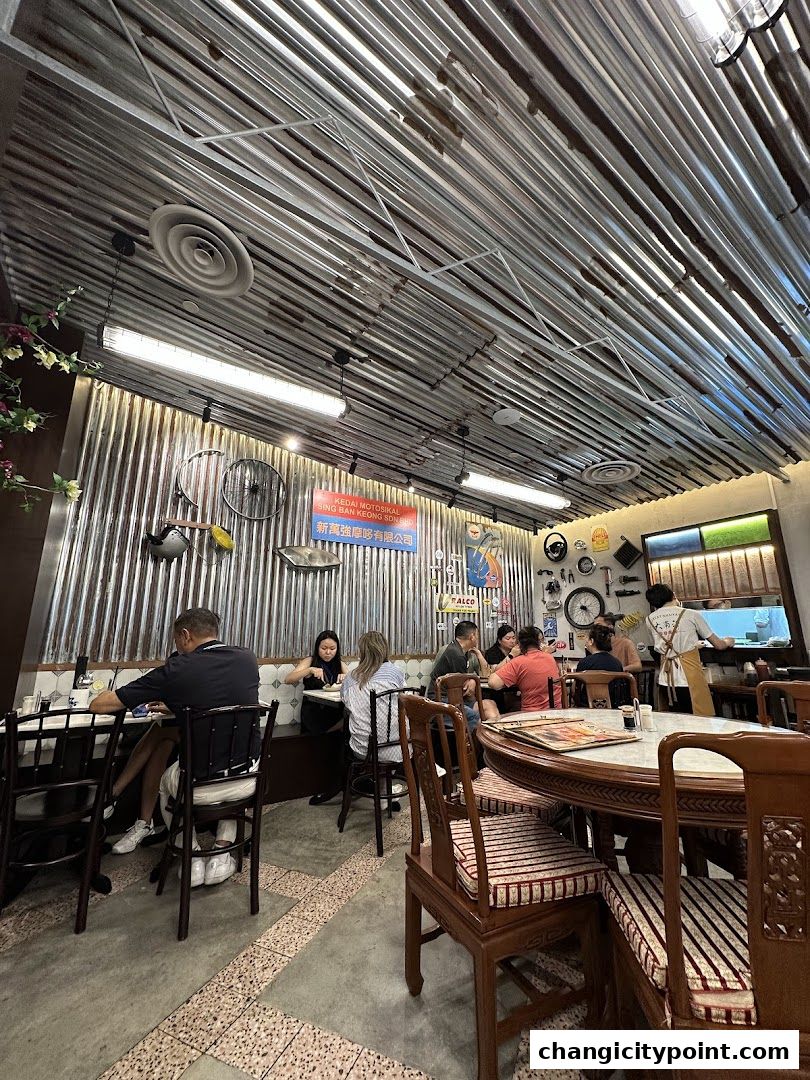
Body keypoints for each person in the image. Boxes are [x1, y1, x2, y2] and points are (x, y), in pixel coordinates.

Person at [90, 607, 260, 886]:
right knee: (228, 756)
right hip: (246, 779)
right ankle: (221, 851)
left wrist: (95, 695)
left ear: (185, 635)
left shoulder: (176, 669)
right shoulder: (247, 658)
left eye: (176, 641)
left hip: (197, 785)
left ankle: (190, 855)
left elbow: (103, 705)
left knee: (167, 781)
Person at [645, 583, 734, 716]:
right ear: (673, 595)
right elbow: (718, 645)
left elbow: (668, 645)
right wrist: (728, 641)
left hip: (666, 678)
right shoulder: (691, 614)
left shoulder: (650, 619)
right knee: (699, 719)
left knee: (675, 720)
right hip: (689, 677)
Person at [341, 631, 406, 763]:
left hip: (362, 750)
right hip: (397, 747)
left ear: (361, 652)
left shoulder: (350, 678)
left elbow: (346, 704)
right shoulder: (395, 673)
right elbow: (407, 702)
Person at [428, 620, 499, 726]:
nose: (478, 639)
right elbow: (467, 691)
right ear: (472, 636)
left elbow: (469, 682)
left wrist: (472, 679)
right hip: (441, 702)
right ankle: (473, 742)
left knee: (490, 704)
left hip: (453, 699)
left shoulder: (461, 651)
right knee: (476, 717)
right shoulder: (455, 654)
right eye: (477, 635)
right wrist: (472, 681)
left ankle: (491, 739)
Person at [286, 630, 348, 736]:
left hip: (334, 710)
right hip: (313, 712)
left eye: (332, 649)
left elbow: (355, 684)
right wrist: (309, 670)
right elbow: (288, 679)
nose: (328, 652)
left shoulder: (340, 664)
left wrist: (346, 678)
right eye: (324, 648)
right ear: (317, 648)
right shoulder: (310, 661)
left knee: (349, 718)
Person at [488, 625, 562, 712]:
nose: (512, 641)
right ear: (538, 642)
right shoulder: (550, 658)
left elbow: (493, 683)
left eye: (514, 638)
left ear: (520, 643)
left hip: (531, 715)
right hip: (556, 711)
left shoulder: (518, 662)